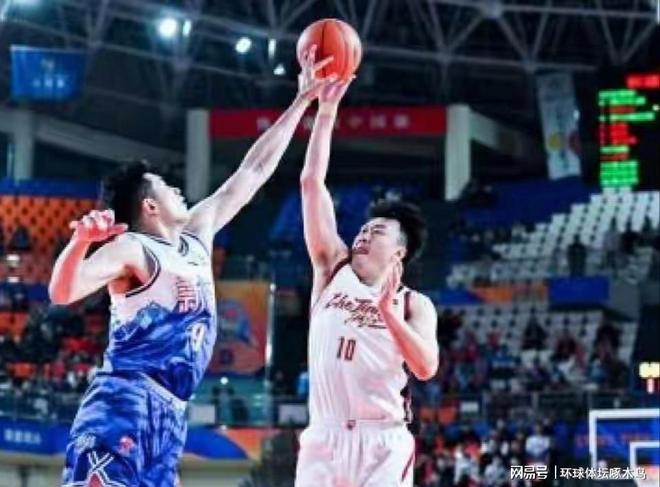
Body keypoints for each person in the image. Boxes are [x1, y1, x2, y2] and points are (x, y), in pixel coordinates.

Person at [49, 46, 334, 487]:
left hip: (171, 414)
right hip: (123, 402)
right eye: (166, 186)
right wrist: (79, 243)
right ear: (149, 206)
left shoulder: (198, 233)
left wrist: (301, 101)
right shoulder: (132, 248)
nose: (178, 190)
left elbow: (254, 170)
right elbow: (62, 292)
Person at [294, 75, 439, 487]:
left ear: (399, 252)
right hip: (324, 437)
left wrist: (388, 316)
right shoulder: (332, 268)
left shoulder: (414, 304)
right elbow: (311, 184)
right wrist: (326, 111)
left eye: (377, 231)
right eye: (363, 228)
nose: (363, 233)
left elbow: (426, 367)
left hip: (382, 442)